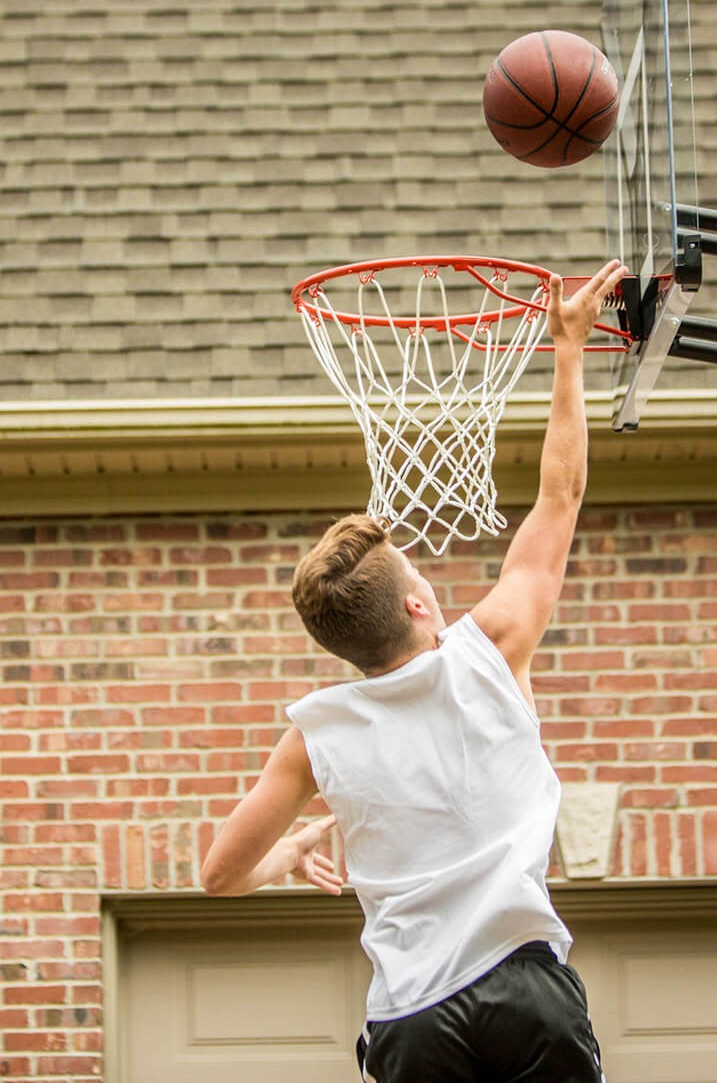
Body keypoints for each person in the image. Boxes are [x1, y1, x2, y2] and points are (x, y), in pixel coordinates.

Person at [200, 258, 627, 1083]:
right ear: (419, 606)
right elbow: (560, 498)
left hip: (411, 1018)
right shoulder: (493, 647)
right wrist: (566, 351)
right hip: (524, 988)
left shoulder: (314, 736)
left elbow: (218, 875)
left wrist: (287, 855)